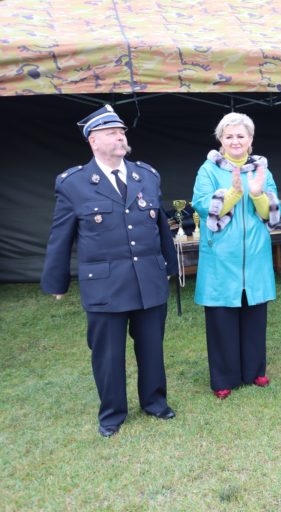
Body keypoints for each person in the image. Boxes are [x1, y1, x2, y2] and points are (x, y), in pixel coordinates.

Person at [41, 105, 178, 437]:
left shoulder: (146, 175)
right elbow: (61, 236)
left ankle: (155, 402)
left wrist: (169, 266)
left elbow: (160, 225)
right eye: (110, 133)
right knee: (108, 354)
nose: (120, 136)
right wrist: (57, 281)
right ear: (93, 141)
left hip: (147, 279)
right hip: (105, 285)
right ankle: (113, 414)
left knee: (151, 347)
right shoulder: (73, 183)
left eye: (121, 132)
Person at [192, 112, 280, 399]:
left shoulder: (262, 170)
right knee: (222, 320)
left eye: (241, 135)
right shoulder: (207, 170)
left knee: (254, 317)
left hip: (254, 258)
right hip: (221, 258)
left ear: (251, 140)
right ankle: (224, 378)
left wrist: (256, 193)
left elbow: (272, 215)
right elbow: (203, 205)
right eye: (229, 136)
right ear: (221, 140)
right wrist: (232, 193)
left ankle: (255, 371)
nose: (235, 141)